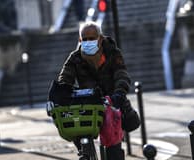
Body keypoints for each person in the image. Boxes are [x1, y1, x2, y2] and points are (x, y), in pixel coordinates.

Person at [56, 21, 139, 160]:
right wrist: (61, 92)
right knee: (80, 136)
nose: (88, 42)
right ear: (80, 40)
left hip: (112, 101)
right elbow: (65, 78)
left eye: (92, 38)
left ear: (100, 39)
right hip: (88, 105)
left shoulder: (112, 52)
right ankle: (85, 153)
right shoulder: (75, 58)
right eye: (85, 39)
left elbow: (121, 74)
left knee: (113, 145)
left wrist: (119, 92)